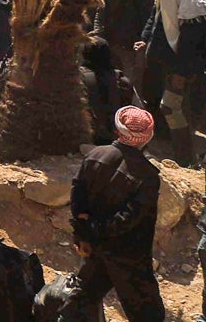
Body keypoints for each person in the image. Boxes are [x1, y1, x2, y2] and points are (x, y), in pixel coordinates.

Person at [68, 106, 165, 322]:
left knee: (80, 303)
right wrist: (95, 231)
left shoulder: (94, 155)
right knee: (148, 314)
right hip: (129, 256)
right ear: (146, 137)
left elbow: (77, 200)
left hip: (94, 248)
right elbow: (129, 218)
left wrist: (84, 235)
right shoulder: (147, 176)